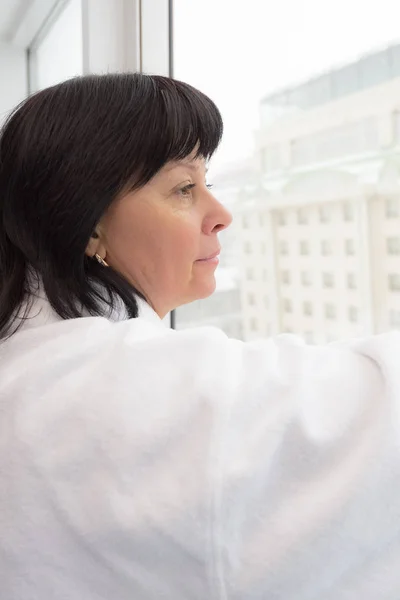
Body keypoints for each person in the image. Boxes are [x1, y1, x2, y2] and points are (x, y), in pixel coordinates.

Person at [0, 72, 398, 600]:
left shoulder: (27, 356)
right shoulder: (129, 393)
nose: (221, 214)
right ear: (89, 223)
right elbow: (359, 419)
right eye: (185, 188)